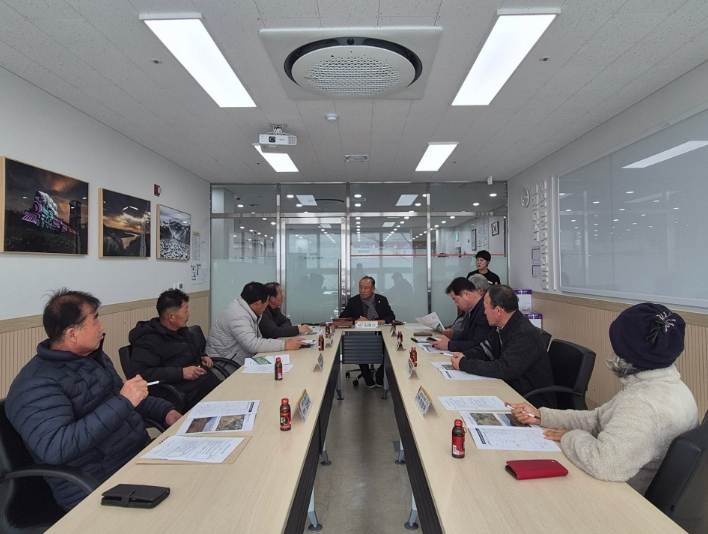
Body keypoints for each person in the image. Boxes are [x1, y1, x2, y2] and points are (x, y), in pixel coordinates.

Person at [4, 289, 181, 510]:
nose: (102, 327)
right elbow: (57, 447)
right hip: (97, 484)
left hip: (138, 457)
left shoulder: (92, 358)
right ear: (72, 334)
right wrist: (124, 402)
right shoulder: (35, 385)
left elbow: (127, 399)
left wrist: (167, 411)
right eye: (95, 320)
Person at [508, 303, 699, 495]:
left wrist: (569, 436)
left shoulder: (642, 403)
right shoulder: (669, 386)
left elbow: (604, 465)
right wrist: (542, 416)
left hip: (622, 497)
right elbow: (598, 418)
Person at [450, 285, 556, 408]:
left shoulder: (524, 334)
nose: (484, 312)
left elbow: (504, 369)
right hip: (510, 389)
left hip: (530, 401)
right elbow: (485, 350)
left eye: (485, 308)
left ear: (498, 311)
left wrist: (464, 364)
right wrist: (465, 355)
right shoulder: (502, 327)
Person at [127, 289, 220, 411]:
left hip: (200, 383)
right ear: (171, 317)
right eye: (185, 310)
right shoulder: (149, 340)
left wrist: (202, 355)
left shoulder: (180, 330)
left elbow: (191, 348)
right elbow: (139, 373)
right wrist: (181, 373)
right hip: (179, 394)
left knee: (229, 391)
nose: (188, 314)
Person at [206, 282, 307, 368]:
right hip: (225, 366)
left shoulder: (247, 310)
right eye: (266, 303)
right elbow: (252, 344)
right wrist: (284, 345)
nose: (267, 306)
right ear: (258, 303)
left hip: (240, 359)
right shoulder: (238, 316)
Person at [340, 276, 396, 388]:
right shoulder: (354, 301)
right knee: (361, 348)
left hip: (380, 335)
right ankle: (367, 376)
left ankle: (380, 374)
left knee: (392, 349)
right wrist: (356, 320)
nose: (362, 290)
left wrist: (384, 320)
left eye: (366, 288)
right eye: (360, 287)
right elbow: (342, 318)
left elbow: (391, 316)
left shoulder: (381, 300)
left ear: (373, 289)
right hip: (361, 336)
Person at [432, 275, 494, 352]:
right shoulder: (472, 309)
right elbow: (467, 335)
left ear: (467, 294)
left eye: (456, 300)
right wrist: (452, 336)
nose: (456, 304)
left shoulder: (485, 311)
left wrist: (449, 345)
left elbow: (478, 344)